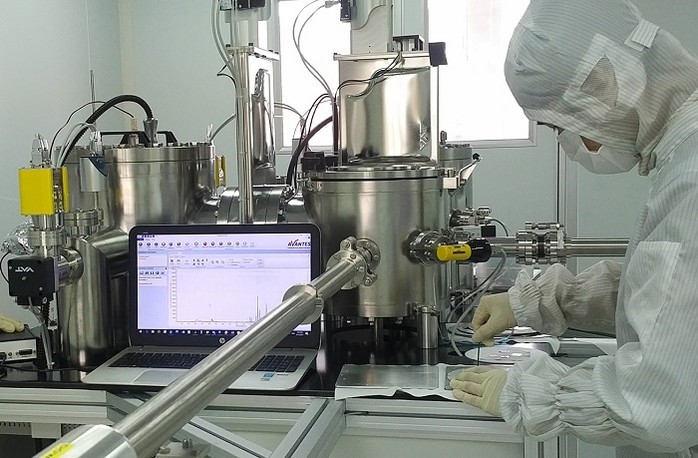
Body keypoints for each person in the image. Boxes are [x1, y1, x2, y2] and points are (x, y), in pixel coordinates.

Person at [449, 0, 698, 456]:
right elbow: (676, 296)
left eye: (557, 126)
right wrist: (546, 298)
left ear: (603, 91)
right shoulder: (684, 152)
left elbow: (660, 403)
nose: (566, 143)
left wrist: (532, 394)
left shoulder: (691, 177)